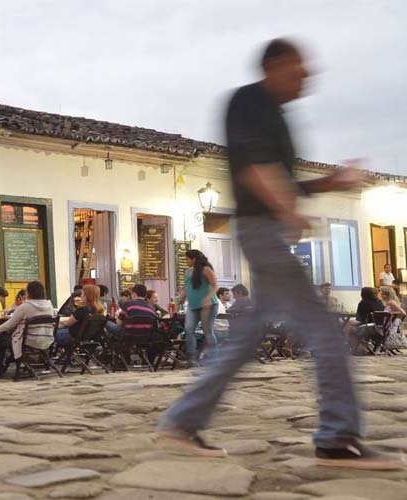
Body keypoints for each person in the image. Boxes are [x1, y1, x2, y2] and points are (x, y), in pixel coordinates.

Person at [158, 39, 403, 469]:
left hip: (265, 230)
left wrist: (328, 184)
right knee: (326, 330)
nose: (305, 78)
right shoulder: (249, 101)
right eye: (297, 70)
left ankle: (183, 419)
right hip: (263, 231)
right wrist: (287, 208)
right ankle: (337, 436)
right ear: (274, 65)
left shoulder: (275, 116)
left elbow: (284, 179)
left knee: (244, 339)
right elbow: (255, 167)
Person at [0, 281, 55, 377]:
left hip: (28, 341)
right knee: (7, 338)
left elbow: (10, 324)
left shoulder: (26, 306)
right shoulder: (50, 306)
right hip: (46, 340)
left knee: (1, 339)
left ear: (29, 292)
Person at [177, 249, 219, 364]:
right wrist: (180, 299)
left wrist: (207, 298)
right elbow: (187, 287)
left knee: (207, 331)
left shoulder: (206, 270)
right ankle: (191, 357)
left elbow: (215, 286)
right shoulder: (188, 272)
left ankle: (215, 358)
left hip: (208, 305)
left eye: (187, 259)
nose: (186, 261)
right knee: (188, 329)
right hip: (193, 306)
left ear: (194, 259)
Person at [380, 286, 407, 351]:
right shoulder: (389, 302)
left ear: (387, 295)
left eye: (382, 294)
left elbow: (403, 313)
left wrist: (392, 314)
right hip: (389, 323)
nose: (381, 295)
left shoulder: (391, 302)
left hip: (391, 323)